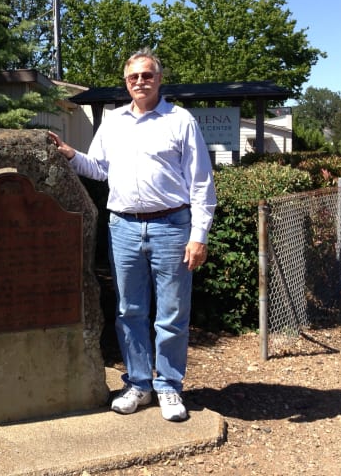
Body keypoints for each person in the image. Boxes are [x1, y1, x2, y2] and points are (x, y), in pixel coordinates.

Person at [48, 48, 216, 422]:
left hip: (172, 226)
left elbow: (202, 184)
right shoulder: (112, 122)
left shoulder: (180, 121)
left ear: (159, 79)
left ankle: (169, 387)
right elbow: (99, 168)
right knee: (129, 311)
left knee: (172, 312)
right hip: (122, 226)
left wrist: (198, 235)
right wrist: (69, 153)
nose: (140, 81)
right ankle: (138, 383)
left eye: (147, 75)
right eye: (133, 77)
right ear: (126, 82)